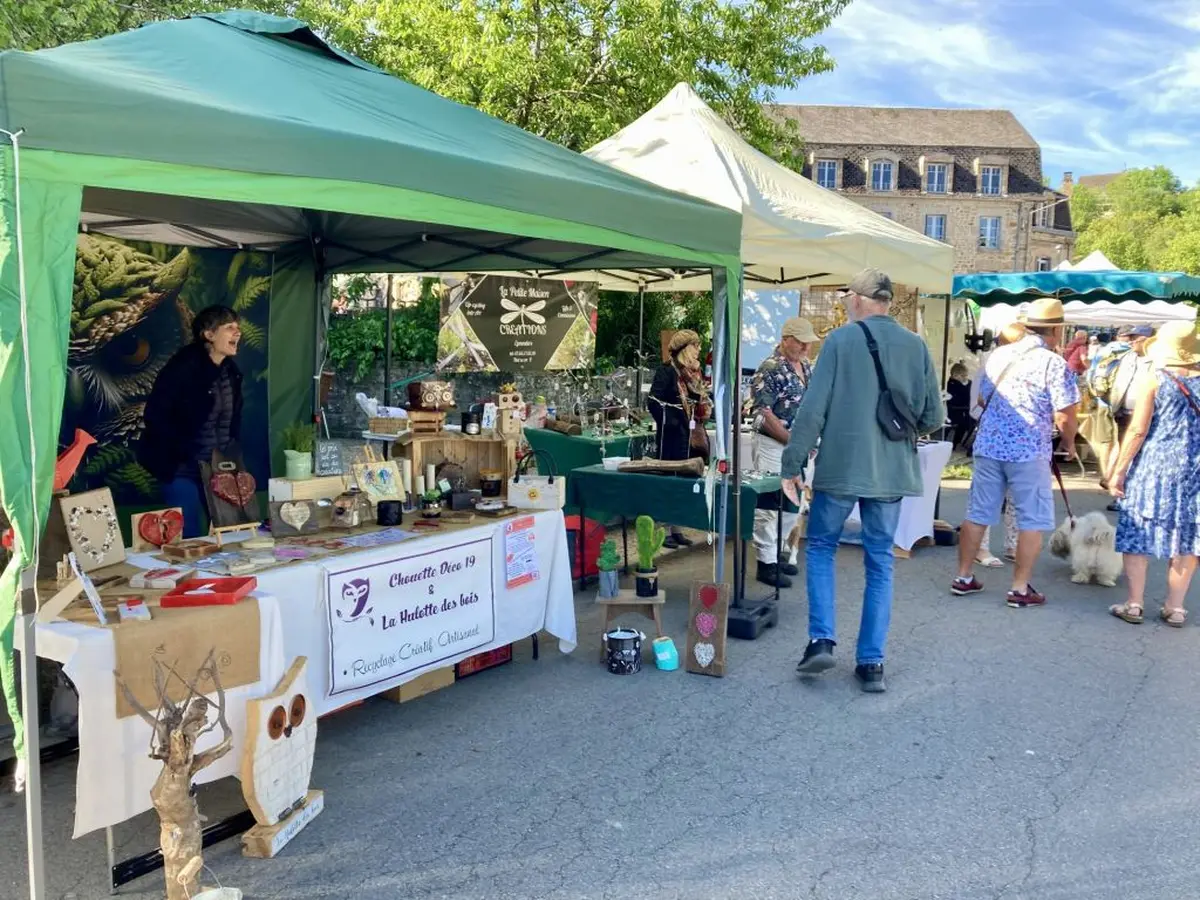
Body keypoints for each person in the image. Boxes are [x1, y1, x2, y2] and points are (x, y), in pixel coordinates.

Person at [780, 268, 943, 693]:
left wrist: (792, 463)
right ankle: (872, 663)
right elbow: (934, 417)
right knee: (880, 561)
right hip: (891, 470)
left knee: (819, 547)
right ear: (887, 301)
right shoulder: (915, 345)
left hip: (841, 466)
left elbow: (812, 410)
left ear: (857, 299)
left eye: (845, 295)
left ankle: (821, 639)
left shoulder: (839, 341)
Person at [952, 297, 1080, 608]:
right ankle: (1020, 588)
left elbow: (982, 399)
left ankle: (964, 576)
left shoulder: (999, 355)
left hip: (989, 445)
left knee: (978, 512)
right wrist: (1069, 441)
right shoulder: (1053, 363)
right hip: (1028, 450)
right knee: (1031, 519)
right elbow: (1065, 413)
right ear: (1056, 330)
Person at [1106, 321, 1200, 628]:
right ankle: (1175, 607)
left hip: (1154, 466)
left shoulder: (1155, 378)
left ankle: (1134, 604)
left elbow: (1138, 429)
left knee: (1138, 530)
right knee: (1188, 535)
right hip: (1195, 469)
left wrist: (1118, 470)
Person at [138, 306, 244, 538]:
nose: (238, 332)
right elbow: (156, 416)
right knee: (189, 537)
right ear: (209, 334)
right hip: (181, 469)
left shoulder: (231, 371)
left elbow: (232, 421)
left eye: (237, 327)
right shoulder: (182, 369)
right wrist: (178, 452)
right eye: (229, 328)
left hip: (218, 468)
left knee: (229, 532)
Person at [747, 316, 816, 588]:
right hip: (774, 444)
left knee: (793, 503)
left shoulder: (806, 367)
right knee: (770, 503)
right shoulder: (770, 368)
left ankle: (775, 554)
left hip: (798, 447)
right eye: (801, 342)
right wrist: (792, 441)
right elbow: (763, 414)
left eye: (808, 343)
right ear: (786, 339)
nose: (806, 348)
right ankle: (766, 563)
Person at [967, 321, 1026, 567]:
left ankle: (1012, 543)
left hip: (1018, 442)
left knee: (1015, 496)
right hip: (993, 441)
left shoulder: (1026, 366)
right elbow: (974, 406)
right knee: (988, 497)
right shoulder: (989, 366)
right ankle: (981, 548)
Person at [648, 329, 710, 549]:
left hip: (691, 436)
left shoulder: (694, 373)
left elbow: (701, 399)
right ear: (685, 348)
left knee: (684, 483)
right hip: (672, 438)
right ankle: (663, 531)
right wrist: (673, 421)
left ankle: (677, 529)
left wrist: (702, 406)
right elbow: (653, 401)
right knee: (669, 482)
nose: (699, 351)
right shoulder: (667, 372)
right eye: (696, 346)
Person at [946, 362, 973, 449]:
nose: (965, 378)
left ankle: (957, 442)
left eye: (966, 375)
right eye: (963, 376)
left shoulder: (968, 383)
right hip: (954, 409)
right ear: (955, 375)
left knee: (967, 423)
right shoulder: (951, 384)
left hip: (966, 408)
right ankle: (953, 443)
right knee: (962, 423)